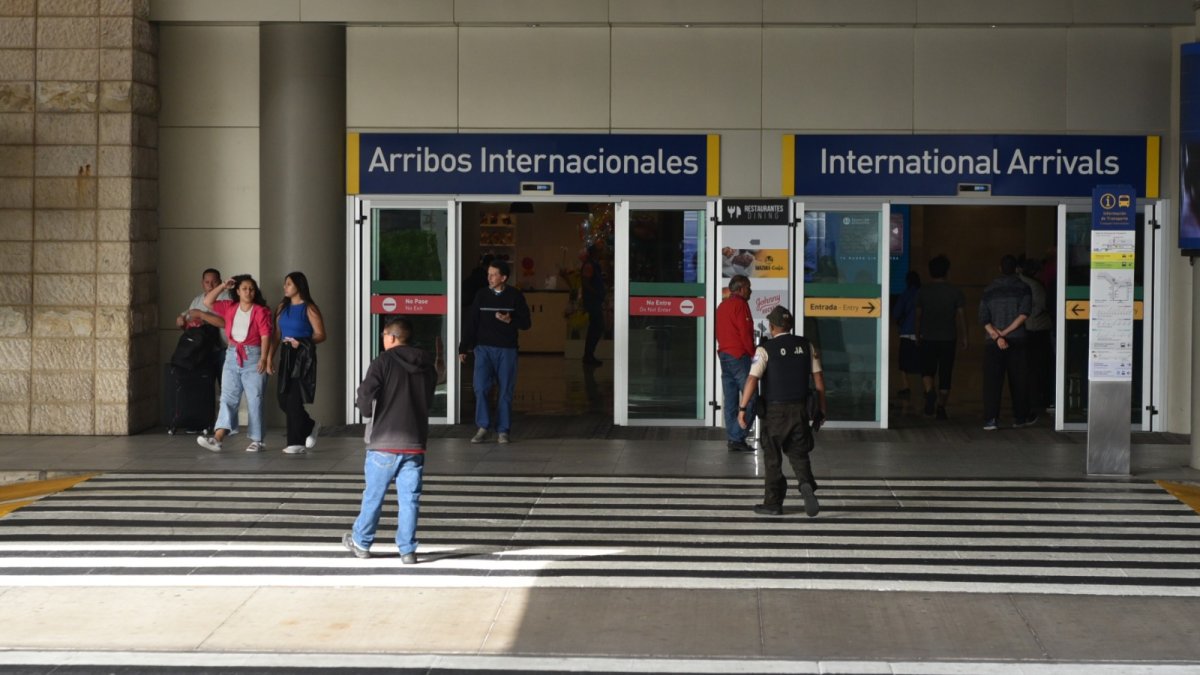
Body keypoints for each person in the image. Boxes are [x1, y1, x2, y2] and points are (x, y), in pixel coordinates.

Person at [342, 317, 438, 565]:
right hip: (415, 441)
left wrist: (365, 412)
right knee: (410, 499)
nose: (383, 339)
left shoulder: (383, 361)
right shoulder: (428, 365)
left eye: (384, 334)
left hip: (383, 440)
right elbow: (428, 399)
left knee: (374, 495)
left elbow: (365, 394)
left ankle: (362, 542)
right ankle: (407, 550)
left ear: (392, 337)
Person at [736, 305, 826, 518]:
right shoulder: (807, 346)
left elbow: (752, 379)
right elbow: (819, 379)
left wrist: (742, 408)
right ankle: (805, 484)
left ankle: (773, 502)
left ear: (771, 326)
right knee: (798, 452)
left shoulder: (765, 349)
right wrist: (821, 409)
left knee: (773, 456)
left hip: (775, 412)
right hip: (800, 409)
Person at [196, 274, 273, 453]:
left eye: (252, 289)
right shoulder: (230, 307)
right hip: (232, 355)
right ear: (237, 291)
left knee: (255, 399)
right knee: (228, 397)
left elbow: (265, 335)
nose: (248, 292)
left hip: (253, 356)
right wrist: (223, 286)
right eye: (244, 288)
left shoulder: (260, 311)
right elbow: (207, 301)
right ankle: (218, 438)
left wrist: (263, 357)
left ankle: (257, 439)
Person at [458, 259, 531, 444]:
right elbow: (472, 322)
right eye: (488, 274)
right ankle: (483, 427)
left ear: (503, 277)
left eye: (493, 274)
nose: (489, 277)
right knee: (480, 387)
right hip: (483, 349)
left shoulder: (515, 296)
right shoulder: (481, 295)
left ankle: (503, 431)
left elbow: (526, 323)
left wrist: (510, 320)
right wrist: (463, 347)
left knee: (505, 390)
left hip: (507, 349)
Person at [272, 271, 326, 455]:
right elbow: (277, 335)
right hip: (286, 353)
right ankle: (310, 424)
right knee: (283, 399)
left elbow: (320, 334)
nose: (285, 287)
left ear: (298, 286)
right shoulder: (281, 307)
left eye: (288, 283)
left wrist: (302, 341)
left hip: (302, 354)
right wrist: (268, 357)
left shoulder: (309, 308)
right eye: (285, 283)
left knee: (294, 398)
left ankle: (296, 442)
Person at [979, 254, 1033, 431]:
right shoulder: (1024, 288)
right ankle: (1019, 418)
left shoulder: (989, 290)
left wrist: (997, 336)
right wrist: (1006, 333)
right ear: (1017, 269)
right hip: (1017, 340)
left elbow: (984, 318)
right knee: (1019, 381)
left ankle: (991, 420)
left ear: (1000, 268)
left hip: (993, 342)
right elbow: (1024, 314)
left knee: (992, 382)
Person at [915, 254, 967, 420]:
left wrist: (917, 334)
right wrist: (965, 336)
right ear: (947, 271)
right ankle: (941, 407)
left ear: (930, 272)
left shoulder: (923, 291)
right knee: (946, 374)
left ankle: (930, 392)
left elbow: (918, 316)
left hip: (928, 336)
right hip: (948, 338)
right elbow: (961, 316)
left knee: (927, 370)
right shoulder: (955, 292)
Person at [715, 274, 756, 452]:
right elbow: (745, 334)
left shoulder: (722, 306)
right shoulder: (741, 305)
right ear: (740, 288)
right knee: (751, 397)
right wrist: (754, 355)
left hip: (724, 355)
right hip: (739, 356)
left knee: (730, 399)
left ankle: (733, 438)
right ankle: (737, 436)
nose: (750, 291)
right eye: (748, 287)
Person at [1017, 258, 1050, 417]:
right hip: (1037, 329)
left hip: (1026, 330)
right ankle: (1038, 402)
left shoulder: (1019, 283)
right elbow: (1041, 306)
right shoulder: (1035, 285)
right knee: (1039, 368)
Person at [892, 270, 921, 416]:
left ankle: (906, 386)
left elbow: (896, 313)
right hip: (922, 334)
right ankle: (927, 389)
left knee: (903, 363)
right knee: (923, 363)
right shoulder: (923, 294)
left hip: (906, 332)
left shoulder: (905, 295)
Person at [580, 244, 606, 366]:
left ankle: (589, 354)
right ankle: (588, 355)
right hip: (592, 301)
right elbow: (586, 282)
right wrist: (597, 293)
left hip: (595, 300)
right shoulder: (590, 265)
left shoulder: (595, 265)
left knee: (596, 327)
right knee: (596, 326)